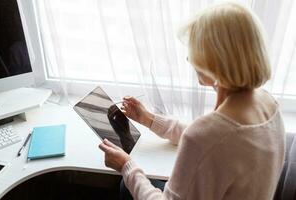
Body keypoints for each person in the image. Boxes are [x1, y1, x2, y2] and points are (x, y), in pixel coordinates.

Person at [99, 2, 285, 200]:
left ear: (216, 59)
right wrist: (148, 119)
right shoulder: (269, 104)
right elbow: (208, 137)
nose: (189, 59)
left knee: (126, 187)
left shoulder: (207, 135)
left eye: (196, 50)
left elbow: (204, 138)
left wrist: (126, 166)